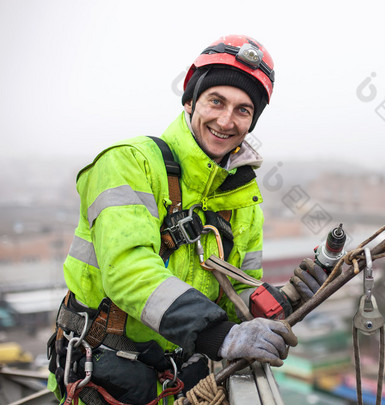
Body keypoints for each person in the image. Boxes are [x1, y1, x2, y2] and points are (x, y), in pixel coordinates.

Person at [47, 35, 328, 404]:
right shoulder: (129, 165)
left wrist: (281, 301)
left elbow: (237, 297)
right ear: (191, 100)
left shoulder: (242, 200)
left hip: (178, 382)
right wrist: (220, 336)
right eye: (216, 101)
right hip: (102, 374)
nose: (226, 120)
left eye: (243, 110)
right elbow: (128, 270)